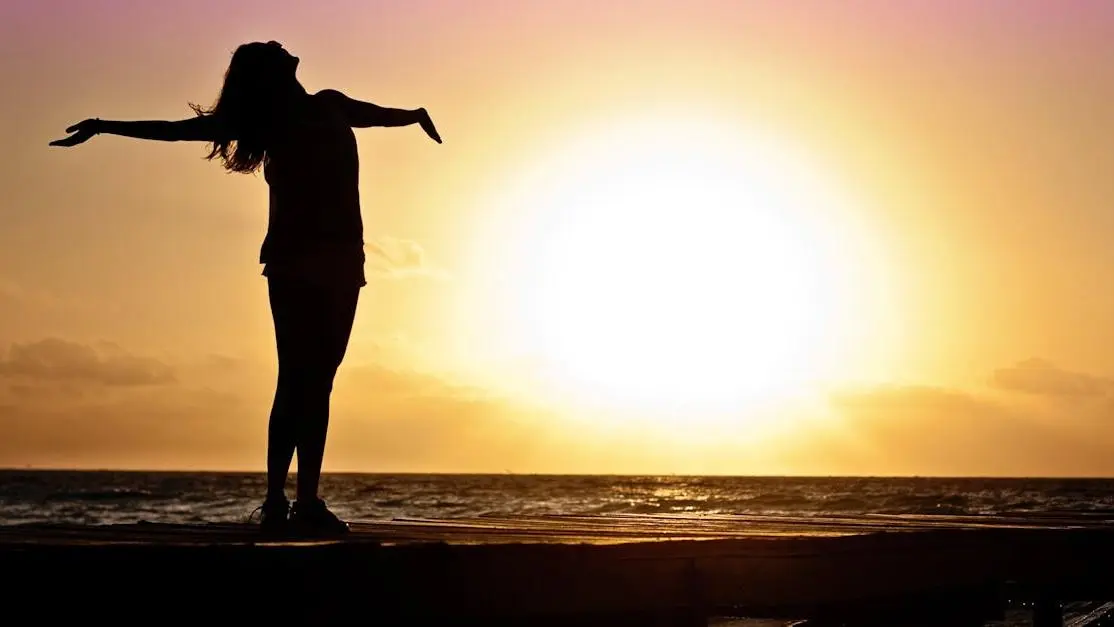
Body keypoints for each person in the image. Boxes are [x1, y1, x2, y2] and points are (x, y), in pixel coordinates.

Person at [50, 41, 442, 537]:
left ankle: (303, 500)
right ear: (270, 73)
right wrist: (105, 126)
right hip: (295, 260)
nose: (284, 46)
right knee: (298, 377)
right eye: (273, 50)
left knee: (317, 381)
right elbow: (176, 132)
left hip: (344, 260)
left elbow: (380, 116)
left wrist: (415, 114)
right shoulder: (267, 122)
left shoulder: (331, 103)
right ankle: (281, 498)